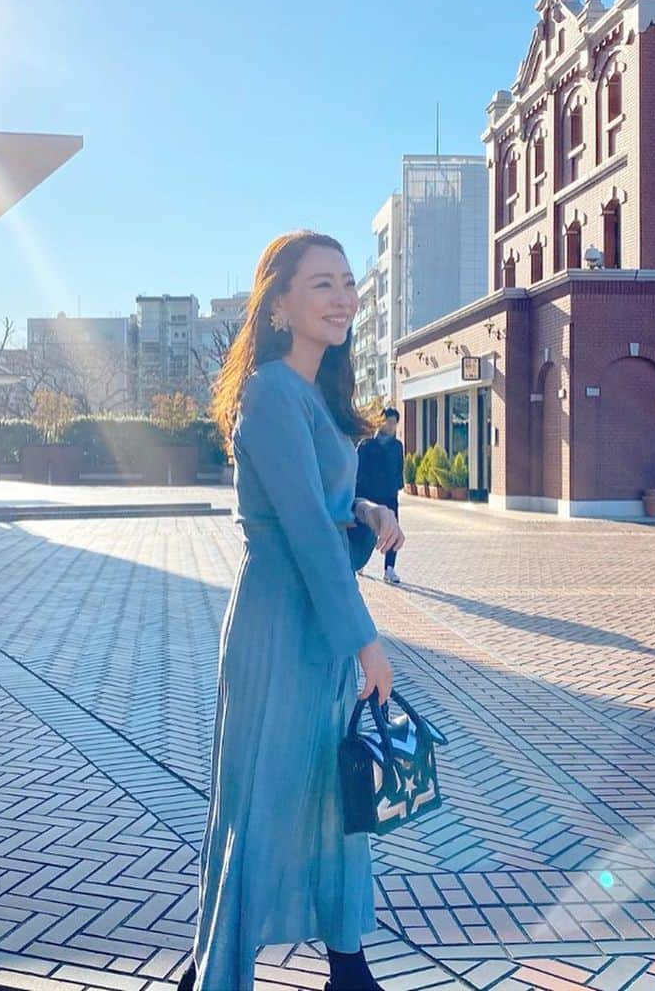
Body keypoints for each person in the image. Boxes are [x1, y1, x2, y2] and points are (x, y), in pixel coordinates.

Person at [178, 231, 404, 991]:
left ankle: (347, 966)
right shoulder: (272, 390)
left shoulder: (313, 395)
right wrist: (368, 642)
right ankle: (220, 971)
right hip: (283, 624)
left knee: (329, 792)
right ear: (279, 304)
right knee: (265, 796)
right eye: (320, 285)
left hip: (320, 627)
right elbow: (304, 531)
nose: (342, 297)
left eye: (346, 282)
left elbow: (320, 501)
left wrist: (368, 510)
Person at [356, 408, 405, 585]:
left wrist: (398, 485)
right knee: (365, 531)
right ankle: (359, 562)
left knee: (392, 529)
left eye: (394, 422)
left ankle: (389, 569)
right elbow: (358, 469)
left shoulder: (397, 446)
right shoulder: (367, 445)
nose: (391, 426)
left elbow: (400, 468)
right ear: (380, 422)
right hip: (369, 496)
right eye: (388, 421)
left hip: (389, 495)